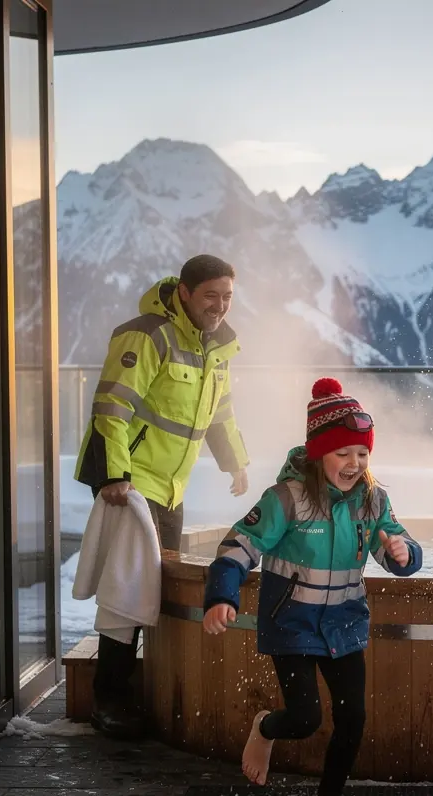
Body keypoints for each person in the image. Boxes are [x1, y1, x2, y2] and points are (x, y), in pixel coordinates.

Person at [203, 378, 423, 796]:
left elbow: (394, 546)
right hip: (293, 623)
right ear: (320, 452)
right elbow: (238, 547)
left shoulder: (373, 499)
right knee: (304, 719)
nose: (354, 463)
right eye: (343, 453)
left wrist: (404, 554)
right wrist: (222, 595)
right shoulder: (286, 498)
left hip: (344, 623)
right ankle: (265, 728)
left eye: (361, 454)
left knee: (353, 719)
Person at [74, 254, 251, 740]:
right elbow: (111, 407)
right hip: (132, 485)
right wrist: (113, 474)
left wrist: (235, 461)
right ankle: (109, 700)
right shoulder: (148, 334)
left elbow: (222, 413)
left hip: (171, 486)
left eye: (228, 297)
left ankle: (147, 690)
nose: (219, 306)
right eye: (211, 295)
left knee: (162, 584)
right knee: (126, 591)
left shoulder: (215, 347)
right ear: (186, 292)